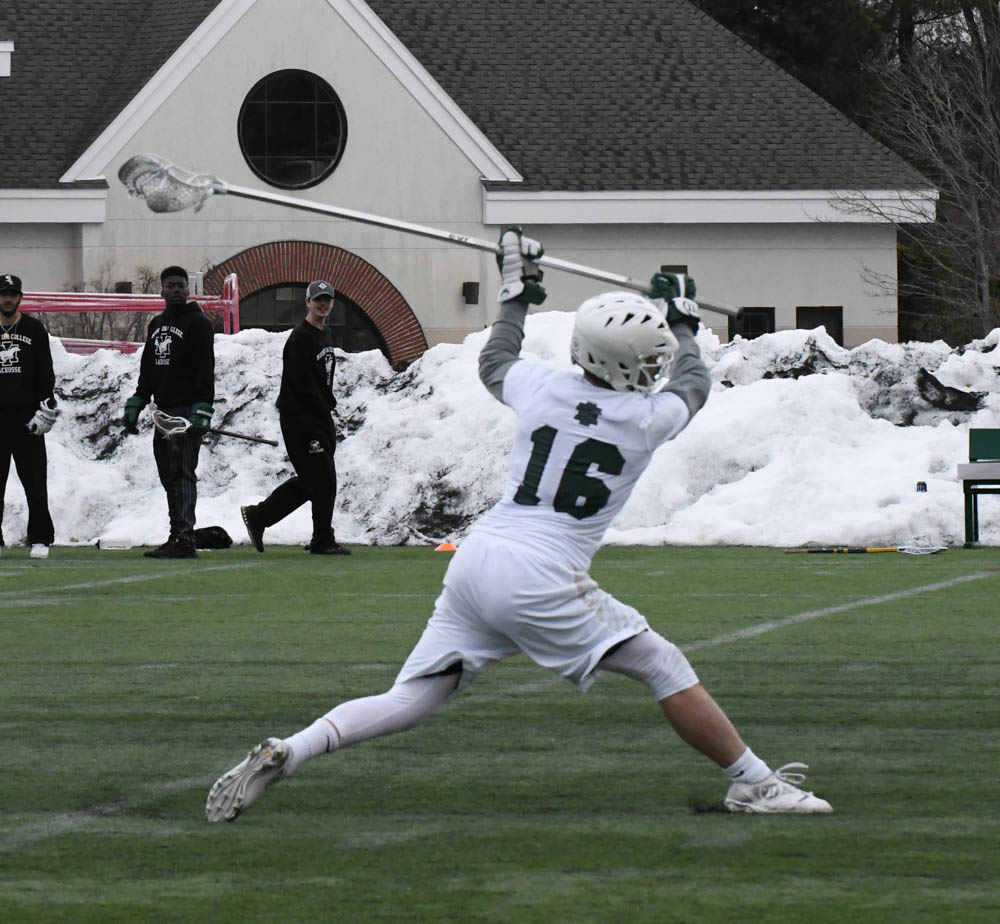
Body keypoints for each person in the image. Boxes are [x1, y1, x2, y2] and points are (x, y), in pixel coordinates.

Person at [206, 230, 832, 822]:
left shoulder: (539, 389)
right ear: (628, 366)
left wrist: (515, 296)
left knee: (414, 696)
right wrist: (686, 323)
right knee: (663, 665)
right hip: (541, 574)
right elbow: (693, 383)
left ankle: (297, 747)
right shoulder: (644, 420)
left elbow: (497, 357)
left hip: (480, 557)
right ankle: (753, 780)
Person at [239, 280, 349, 556]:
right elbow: (300, 384)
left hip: (318, 416)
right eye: (317, 300)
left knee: (314, 480)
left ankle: (259, 517)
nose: (322, 304)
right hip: (300, 418)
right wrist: (320, 411)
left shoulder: (325, 335)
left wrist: (328, 404)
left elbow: (322, 379)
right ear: (308, 302)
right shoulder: (300, 337)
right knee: (323, 479)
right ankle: (322, 538)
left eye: (327, 300)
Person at [123, 266, 215, 559]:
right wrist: (138, 398)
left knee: (182, 473)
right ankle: (177, 533)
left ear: (188, 290)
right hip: (162, 413)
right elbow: (148, 367)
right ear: (162, 290)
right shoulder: (155, 325)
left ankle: (185, 539)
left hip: (186, 411)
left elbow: (206, 367)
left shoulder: (198, 324)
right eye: (170, 285)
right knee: (168, 475)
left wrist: (203, 406)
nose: (176, 290)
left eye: (181, 285)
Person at [0, 273, 60, 560]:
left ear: (20, 297)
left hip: (26, 418)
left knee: (35, 481)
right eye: (3, 294)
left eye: (12, 294)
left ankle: (40, 537)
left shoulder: (35, 330)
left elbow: (45, 372)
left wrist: (45, 408)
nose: (7, 299)